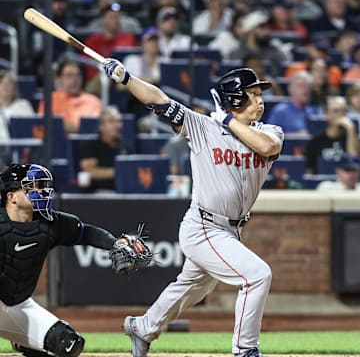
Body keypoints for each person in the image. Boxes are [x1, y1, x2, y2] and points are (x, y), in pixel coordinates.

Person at [101, 54, 284, 356]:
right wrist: (127, 78)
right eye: (252, 95)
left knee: (191, 286)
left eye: (260, 94)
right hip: (204, 226)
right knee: (257, 275)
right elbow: (160, 101)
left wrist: (226, 119)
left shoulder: (269, 131)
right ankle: (245, 349)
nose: (260, 100)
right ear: (235, 98)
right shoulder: (203, 127)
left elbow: (267, 147)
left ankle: (142, 327)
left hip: (231, 229)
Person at [0, 162, 149, 357]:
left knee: (69, 344)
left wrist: (115, 243)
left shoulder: (50, 225)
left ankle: (23, 342)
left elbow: (86, 232)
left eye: (41, 186)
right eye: (31, 187)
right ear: (11, 197)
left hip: (17, 304)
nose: (41, 191)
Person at [37, 59, 102, 134]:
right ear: (60, 79)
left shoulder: (93, 101)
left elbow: (96, 128)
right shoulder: (50, 100)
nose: (74, 80)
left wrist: (70, 127)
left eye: (77, 75)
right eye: (69, 75)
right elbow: (42, 127)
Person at [77, 105, 132, 192]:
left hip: (122, 190)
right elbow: (90, 172)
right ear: (101, 126)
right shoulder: (91, 145)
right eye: (111, 121)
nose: (117, 125)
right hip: (98, 192)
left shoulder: (126, 146)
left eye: (119, 121)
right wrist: (119, 171)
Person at [304, 96, 359, 174]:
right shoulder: (315, 143)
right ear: (327, 115)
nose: (341, 114)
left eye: (344, 111)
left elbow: (354, 164)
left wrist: (350, 129)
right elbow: (310, 174)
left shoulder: (353, 139)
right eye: (336, 111)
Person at [266, 71, 313, 135]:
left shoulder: (314, 111)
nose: (306, 90)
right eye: (301, 85)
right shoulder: (280, 111)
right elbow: (269, 136)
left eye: (308, 86)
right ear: (290, 89)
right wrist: (297, 136)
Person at [0, 70, 35, 143]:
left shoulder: (24, 105)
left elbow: (32, 128)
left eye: (9, 83)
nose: (5, 86)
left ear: (14, 88)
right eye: (2, 83)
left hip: (20, 146)